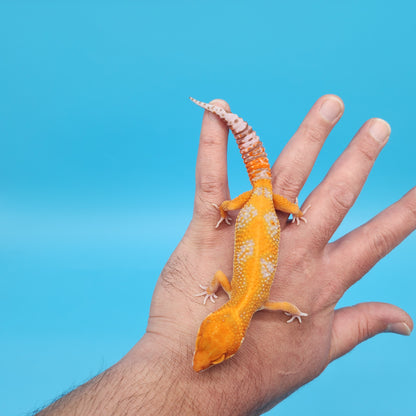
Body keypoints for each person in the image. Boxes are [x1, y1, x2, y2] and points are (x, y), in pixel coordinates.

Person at [36, 95, 414, 415]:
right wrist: (259, 215)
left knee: (263, 189)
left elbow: (281, 306)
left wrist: (263, 218)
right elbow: (271, 304)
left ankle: (251, 168)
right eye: (210, 353)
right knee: (262, 189)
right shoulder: (240, 295)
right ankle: (250, 168)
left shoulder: (254, 300)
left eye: (209, 355)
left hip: (259, 200)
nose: (201, 361)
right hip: (257, 201)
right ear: (216, 324)